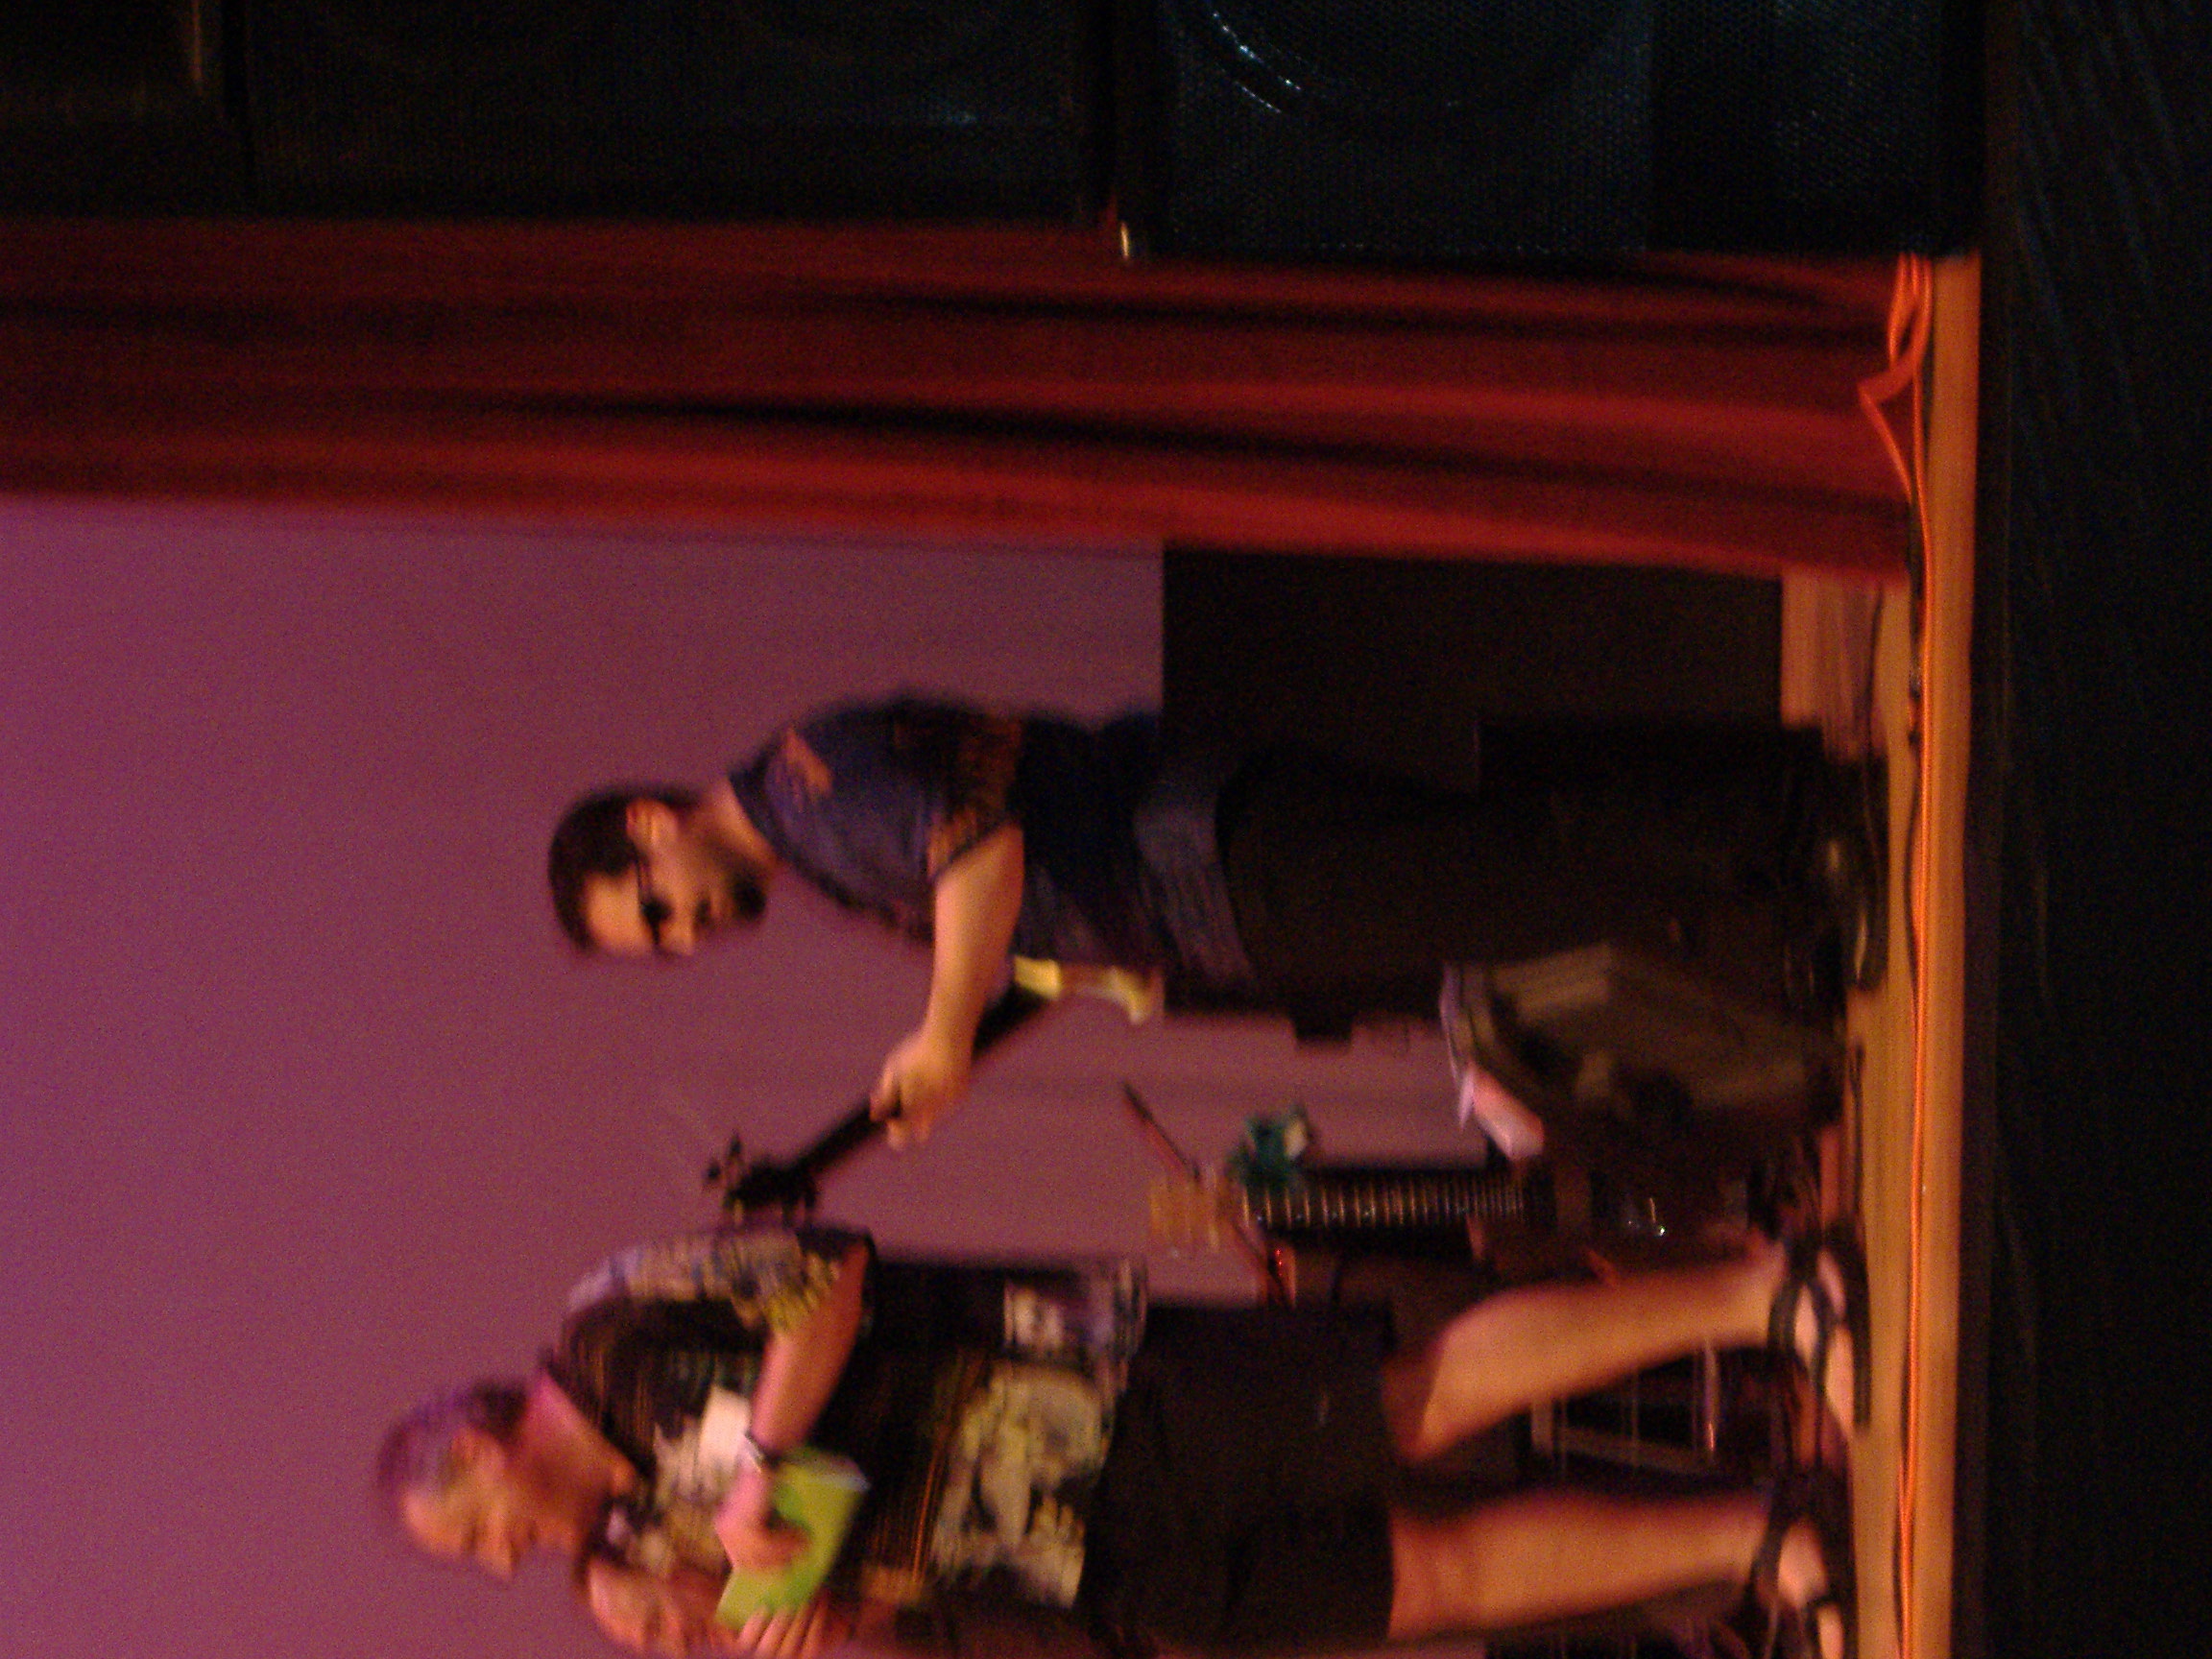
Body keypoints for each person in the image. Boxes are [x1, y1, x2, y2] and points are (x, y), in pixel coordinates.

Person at [379, 1220, 1867, 1659]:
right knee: (1422, 1586)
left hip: (1079, 1407)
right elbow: (854, 1566)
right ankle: (1759, 1533)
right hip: (1060, 1567)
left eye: (480, 1535)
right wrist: (814, 1618)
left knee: (1411, 1405)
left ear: (487, 1446)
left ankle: (1763, 1291)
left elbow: (826, 1273)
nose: (506, 1561)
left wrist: (762, 1464)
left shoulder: (610, 1326)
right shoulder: (636, 1529)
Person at [546, 699, 1885, 1146]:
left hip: (1204, 855)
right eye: (659, 943)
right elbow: (1005, 898)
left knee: (1511, 874)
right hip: (1201, 883)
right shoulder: (809, 829)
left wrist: (945, 1031)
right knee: (1505, 882)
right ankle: (1780, 872)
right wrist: (973, 1038)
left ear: (654, 825)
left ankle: (1800, 821)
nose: (684, 935)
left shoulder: (806, 797)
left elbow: (983, 851)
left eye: (654, 911)